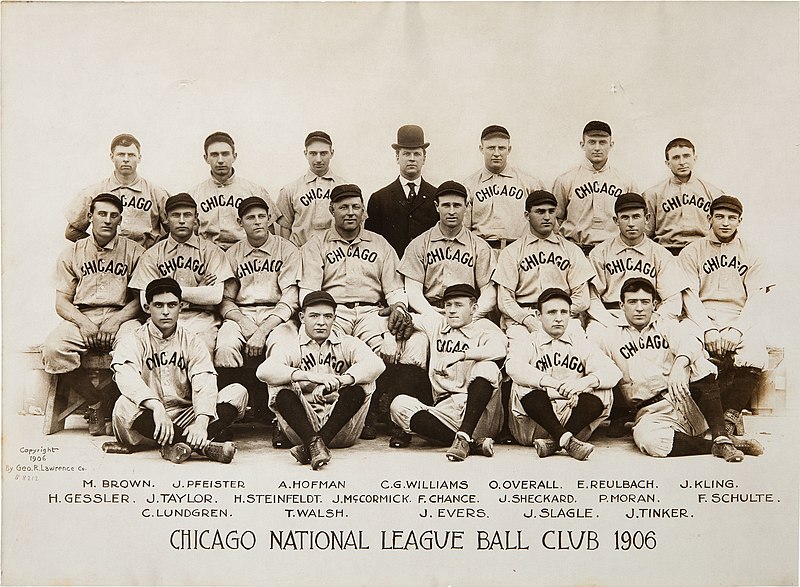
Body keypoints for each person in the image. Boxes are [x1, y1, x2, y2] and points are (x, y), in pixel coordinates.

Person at [590, 277, 763, 461]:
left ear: (655, 304)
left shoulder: (666, 325)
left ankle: (720, 434)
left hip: (684, 400)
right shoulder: (608, 334)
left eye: (645, 302)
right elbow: (591, 360)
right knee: (651, 442)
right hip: (651, 411)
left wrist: (680, 364)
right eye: (632, 302)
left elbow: (690, 342)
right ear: (621, 305)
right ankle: (721, 445)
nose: (639, 308)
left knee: (698, 362)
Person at [300, 183, 422, 439]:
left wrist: (398, 306)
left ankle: (369, 413)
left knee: (383, 351)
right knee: (329, 349)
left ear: (364, 211)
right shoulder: (316, 244)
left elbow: (394, 289)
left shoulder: (379, 244)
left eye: (356, 207)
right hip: (334, 311)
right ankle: (332, 414)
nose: (350, 212)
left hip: (372, 312)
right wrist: (325, 316)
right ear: (331, 209)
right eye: (343, 207)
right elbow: (309, 293)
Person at [104, 278, 248, 463]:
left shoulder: (192, 340)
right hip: (147, 417)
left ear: (181, 306)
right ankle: (206, 447)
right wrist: (156, 407)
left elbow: (204, 380)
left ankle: (178, 444)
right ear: (147, 308)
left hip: (185, 415)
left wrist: (202, 422)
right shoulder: (133, 340)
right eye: (158, 305)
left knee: (237, 392)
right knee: (124, 404)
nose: (165, 312)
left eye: (171, 305)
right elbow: (127, 379)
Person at [43, 193, 144, 435]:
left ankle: (118, 407)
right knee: (53, 348)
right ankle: (97, 402)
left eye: (113, 215)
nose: (107, 220)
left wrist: (116, 321)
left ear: (120, 220)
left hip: (122, 317)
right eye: (102, 214)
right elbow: (62, 302)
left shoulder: (135, 251)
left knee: (134, 347)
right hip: (82, 316)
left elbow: (142, 301)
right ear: (90, 217)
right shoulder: (72, 253)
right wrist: (84, 323)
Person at [257, 290, 385, 470]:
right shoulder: (292, 345)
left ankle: (313, 445)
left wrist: (342, 380)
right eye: (314, 316)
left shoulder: (346, 342)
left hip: (341, 429)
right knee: (279, 385)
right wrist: (311, 376)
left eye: (327, 316)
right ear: (302, 317)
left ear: (334, 318)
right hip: (302, 428)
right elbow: (263, 371)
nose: (321, 322)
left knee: (363, 381)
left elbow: (377, 364)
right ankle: (314, 443)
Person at [679, 195, 774, 436]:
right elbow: (689, 295)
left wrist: (736, 330)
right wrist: (707, 329)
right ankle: (703, 414)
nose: (725, 222)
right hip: (702, 315)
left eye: (732, 218)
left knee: (755, 351)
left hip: (738, 316)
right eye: (719, 216)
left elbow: (757, 298)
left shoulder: (752, 252)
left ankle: (730, 414)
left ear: (740, 221)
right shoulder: (692, 251)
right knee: (687, 347)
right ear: (709, 218)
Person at [389, 284, 508, 461]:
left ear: (473, 308)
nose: (452, 311)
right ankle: (469, 442)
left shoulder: (484, 327)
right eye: (448, 305)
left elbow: (499, 349)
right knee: (398, 405)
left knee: (488, 367)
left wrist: (461, 355)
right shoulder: (437, 323)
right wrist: (388, 334)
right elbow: (403, 319)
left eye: (458, 305)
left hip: (480, 411)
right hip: (446, 411)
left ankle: (465, 436)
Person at [505, 288, 621, 459]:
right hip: (535, 425)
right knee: (521, 385)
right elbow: (513, 367)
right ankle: (565, 439)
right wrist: (555, 386)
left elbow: (613, 372)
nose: (559, 318)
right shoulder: (528, 341)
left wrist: (582, 384)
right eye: (551, 312)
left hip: (573, 418)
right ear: (538, 315)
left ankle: (559, 440)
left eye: (564, 312)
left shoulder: (579, 342)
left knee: (603, 388)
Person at [129, 193, 234, 355]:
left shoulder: (212, 251)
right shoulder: (152, 254)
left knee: (201, 354)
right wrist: (197, 291)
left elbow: (214, 295)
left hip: (202, 320)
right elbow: (145, 300)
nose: (182, 220)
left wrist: (164, 290)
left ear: (196, 218)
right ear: (166, 218)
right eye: (176, 215)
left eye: (187, 215)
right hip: (161, 321)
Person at [492, 190, 595, 339]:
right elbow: (505, 300)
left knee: (576, 348)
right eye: (540, 212)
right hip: (523, 317)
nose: (547, 217)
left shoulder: (572, 250)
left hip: (563, 318)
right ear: (527, 215)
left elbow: (582, 298)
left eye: (551, 211)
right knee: (521, 353)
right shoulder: (511, 252)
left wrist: (556, 315)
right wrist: (528, 320)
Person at [215, 196, 300, 369]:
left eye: (262, 216)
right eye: (250, 218)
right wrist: (243, 322)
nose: (257, 222)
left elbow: (290, 298)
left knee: (284, 348)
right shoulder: (232, 253)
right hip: (242, 313)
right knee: (225, 346)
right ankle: (233, 395)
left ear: (269, 219)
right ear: (240, 222)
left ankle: (279, 396)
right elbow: (225, 299)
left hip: (278, 314)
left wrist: (262, 331)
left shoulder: (287, 249)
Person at [587, 192, 688, 331]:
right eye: (625, 218)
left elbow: (673, 299)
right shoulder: (599, 253)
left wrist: (652, 321)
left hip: (651, 318)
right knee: (595, 334)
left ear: (646, 218)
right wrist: (610, 322)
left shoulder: (661, 254)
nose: (631, 224)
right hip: (612, 316)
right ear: (616, 220)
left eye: (636, 217)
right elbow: (592, 298)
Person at [399, 180, 496, 319]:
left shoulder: (479, 246)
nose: (451, 211)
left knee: (496, 339)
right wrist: (432, 315)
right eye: (446, 205)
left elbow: (489, 291)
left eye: (457, 205)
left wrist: (471, 316)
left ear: (466, 206)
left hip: (468, 315)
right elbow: (412, 290)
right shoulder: (419, 244)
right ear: (436, 206)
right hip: (429, 312)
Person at [65, 133, 169, 249]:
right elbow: (71, 232)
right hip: (109, 263)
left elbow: (176, 231)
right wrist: (98, 246)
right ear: (112, 157)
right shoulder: (95, 192)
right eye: (120, 154)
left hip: (144, 259)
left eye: (131, 155)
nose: (126, 159)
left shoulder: (156, 193)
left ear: (139, 158)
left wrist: (155, 252)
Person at [553, 121, 638, 253]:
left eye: (602, 142)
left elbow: (636, 219)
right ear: (582, 145)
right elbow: (555, 219)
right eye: (592, 142)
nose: (597, 147)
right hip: (576, 250)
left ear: (611, 145)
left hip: (614, 252)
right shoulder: (565, 180)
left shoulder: (625, 181)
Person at [463, 125, 545, 250]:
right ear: (481, 149)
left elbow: (542, 223)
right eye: (491, 148)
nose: (496, 153)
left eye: (501, 148)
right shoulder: (469, 185)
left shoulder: (529, 183)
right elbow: (464, 229)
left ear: (509, 149)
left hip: (519, 250)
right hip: (482, 251)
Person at [189, 131, 274, 250]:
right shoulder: (194, 195)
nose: (220, 160)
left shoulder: (255, 191)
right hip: (207, 255)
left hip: (245, 256)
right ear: (206, 158)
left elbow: (269, 231)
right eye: (214, 155)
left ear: (234, 156)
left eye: (225, 154)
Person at [365, 124, 438, 258]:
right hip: (391, 271)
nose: (411, 158)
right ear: (397, 157)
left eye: (416, 154)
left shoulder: (436, 196)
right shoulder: (379, 199)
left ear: (424, 158)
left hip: (427, 272)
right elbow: (371, 243)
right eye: (406, 154)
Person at [643, 137, 724, 255]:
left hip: (703, 253)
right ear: (668, 163)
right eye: (676, 158)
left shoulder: (713, 192)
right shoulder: (653, 194)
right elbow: (646, 234)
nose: (682, 162)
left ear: (694, 158)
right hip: (667, 253)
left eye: (686, 156)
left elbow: (721, 231)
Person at [274, 131, 347, 247]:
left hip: (335, 255)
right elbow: (284, 229)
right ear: (305, 154)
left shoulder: (344, 188)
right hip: (301, 253)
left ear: (331, 153)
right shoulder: (290, 189)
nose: (318, 159)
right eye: (313, 153)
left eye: (323, 153)